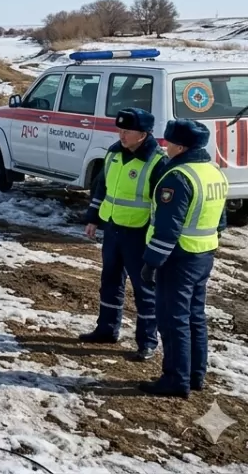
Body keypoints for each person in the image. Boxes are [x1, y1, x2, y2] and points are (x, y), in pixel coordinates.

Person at [138, 119, 228, 398]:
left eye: (168, 142)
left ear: (179, 145)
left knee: (173, 319)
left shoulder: (178, 177)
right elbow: (221, 220)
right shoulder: (213, 171)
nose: (164, 146)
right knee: (194, 317)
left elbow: (168, 228)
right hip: (203, 253)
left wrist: (152, 262)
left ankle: (176, 379)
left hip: (178, 258)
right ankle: (195, 375)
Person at [78, 108, 165, 360]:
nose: (122, 135)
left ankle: (147, 340)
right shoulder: (114, 153)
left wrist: (156, 239)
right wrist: (93, 219)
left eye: (127, 131)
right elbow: (101, 187)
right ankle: (106, 329)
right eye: (120, 130)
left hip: (139, 234)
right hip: (113, 229)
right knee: (110, 282)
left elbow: (161, 205)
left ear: (143, 134)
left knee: (143, 289)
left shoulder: (157, 161)